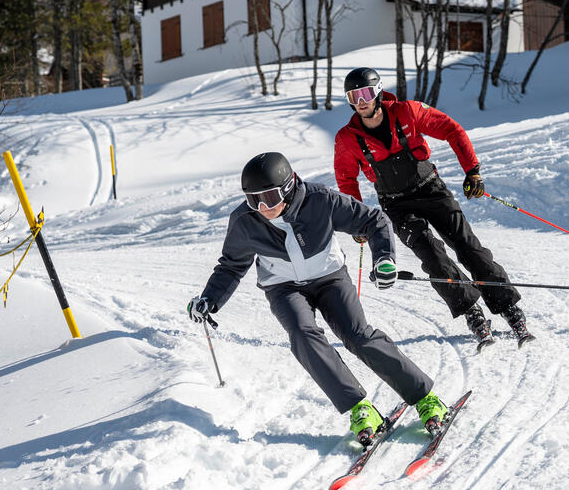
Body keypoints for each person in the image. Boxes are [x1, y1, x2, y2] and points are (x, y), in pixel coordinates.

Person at [187, 152, 449, 443]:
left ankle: (425, 398)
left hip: (330, 278)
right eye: (253, 200)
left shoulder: (321, 200)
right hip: (283, 288)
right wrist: (210, 299)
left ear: (288, 188)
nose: (262, 207)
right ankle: (359, 408)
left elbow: (373, 220)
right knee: (302, 335)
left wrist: (384, 259)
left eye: (269, 198)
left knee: (357, 335)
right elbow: (231, 265)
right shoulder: (244, 221)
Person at [333, 67, 535, 349]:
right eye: (354, 97)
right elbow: (346, 179)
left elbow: (452, 129)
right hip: (397, 205)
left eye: (366, 93)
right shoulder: (347, 138)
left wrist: (472, 171)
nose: (361, 101)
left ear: (377, 92)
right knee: (433, 257)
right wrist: (357, 220)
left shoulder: (407, 112)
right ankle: (472, 312)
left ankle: (508, 307)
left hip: (431, 189)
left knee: (468, 246)